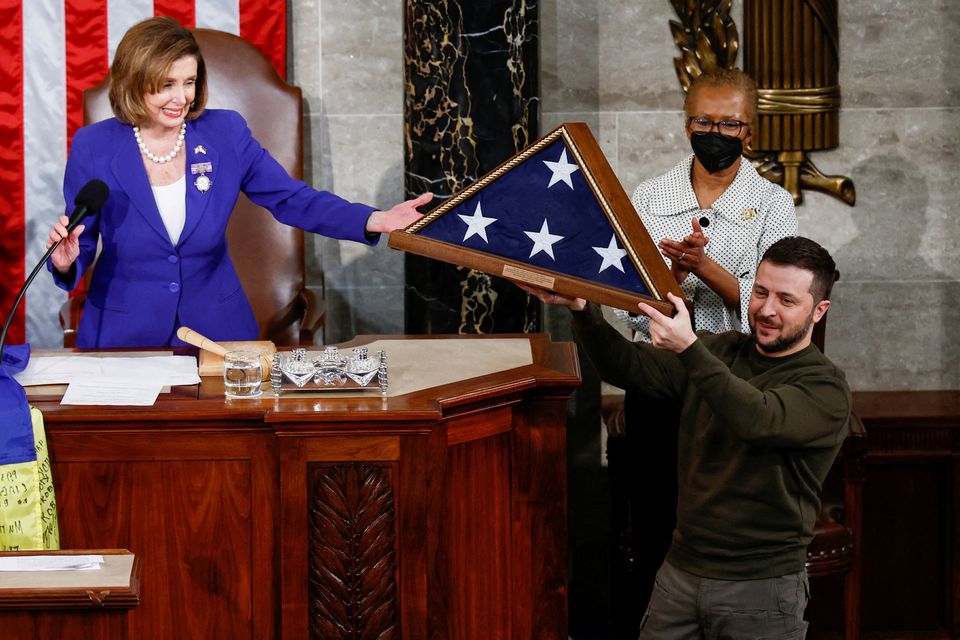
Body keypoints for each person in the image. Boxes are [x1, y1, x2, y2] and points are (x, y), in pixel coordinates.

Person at [521, 235, 852, 639]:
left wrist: (691, 348)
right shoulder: (722, 350)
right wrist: (583, 310)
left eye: (786, 300)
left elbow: (758, 418)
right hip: (680, 572)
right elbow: (626, 366)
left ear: (819, 311)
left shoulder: (825, 386)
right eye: (760, 292)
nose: (766, 310)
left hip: (760, 588)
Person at [45, 16, 431, 348]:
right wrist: (66, 263)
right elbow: (82, 237)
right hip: (124, 337)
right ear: (133, 81)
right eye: (166, 85)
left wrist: (373, 219)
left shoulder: (224, 133)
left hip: (218, 334)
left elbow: (292, 198)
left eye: (189, 82)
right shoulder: (93, 146)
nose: (181, 97)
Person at [609, 68, 798, 635]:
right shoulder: (650, 196)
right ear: (685, 123)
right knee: (655, 526)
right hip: (661, 384)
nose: (715, 131)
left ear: (751, 131)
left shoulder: (772, 203)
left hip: (737, 390)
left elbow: (778, 311)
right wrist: (670, 271)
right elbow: (626, 306)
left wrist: (707, 269)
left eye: (729, 123)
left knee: (723, 528)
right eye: (703, 121)